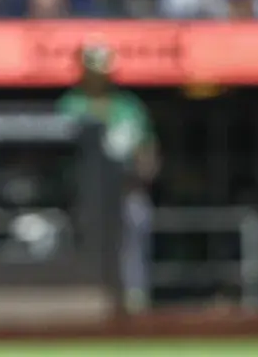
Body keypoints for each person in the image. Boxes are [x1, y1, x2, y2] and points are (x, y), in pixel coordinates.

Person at [56, 42, 160, 313]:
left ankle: (136, 302)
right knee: (79, 244)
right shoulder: (71, 104)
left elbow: (146, 150)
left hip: (126, 191)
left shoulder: (128, 105)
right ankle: (84, 303)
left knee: (134, 235)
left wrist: (142, 172)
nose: (99, 77)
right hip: (84, 196)